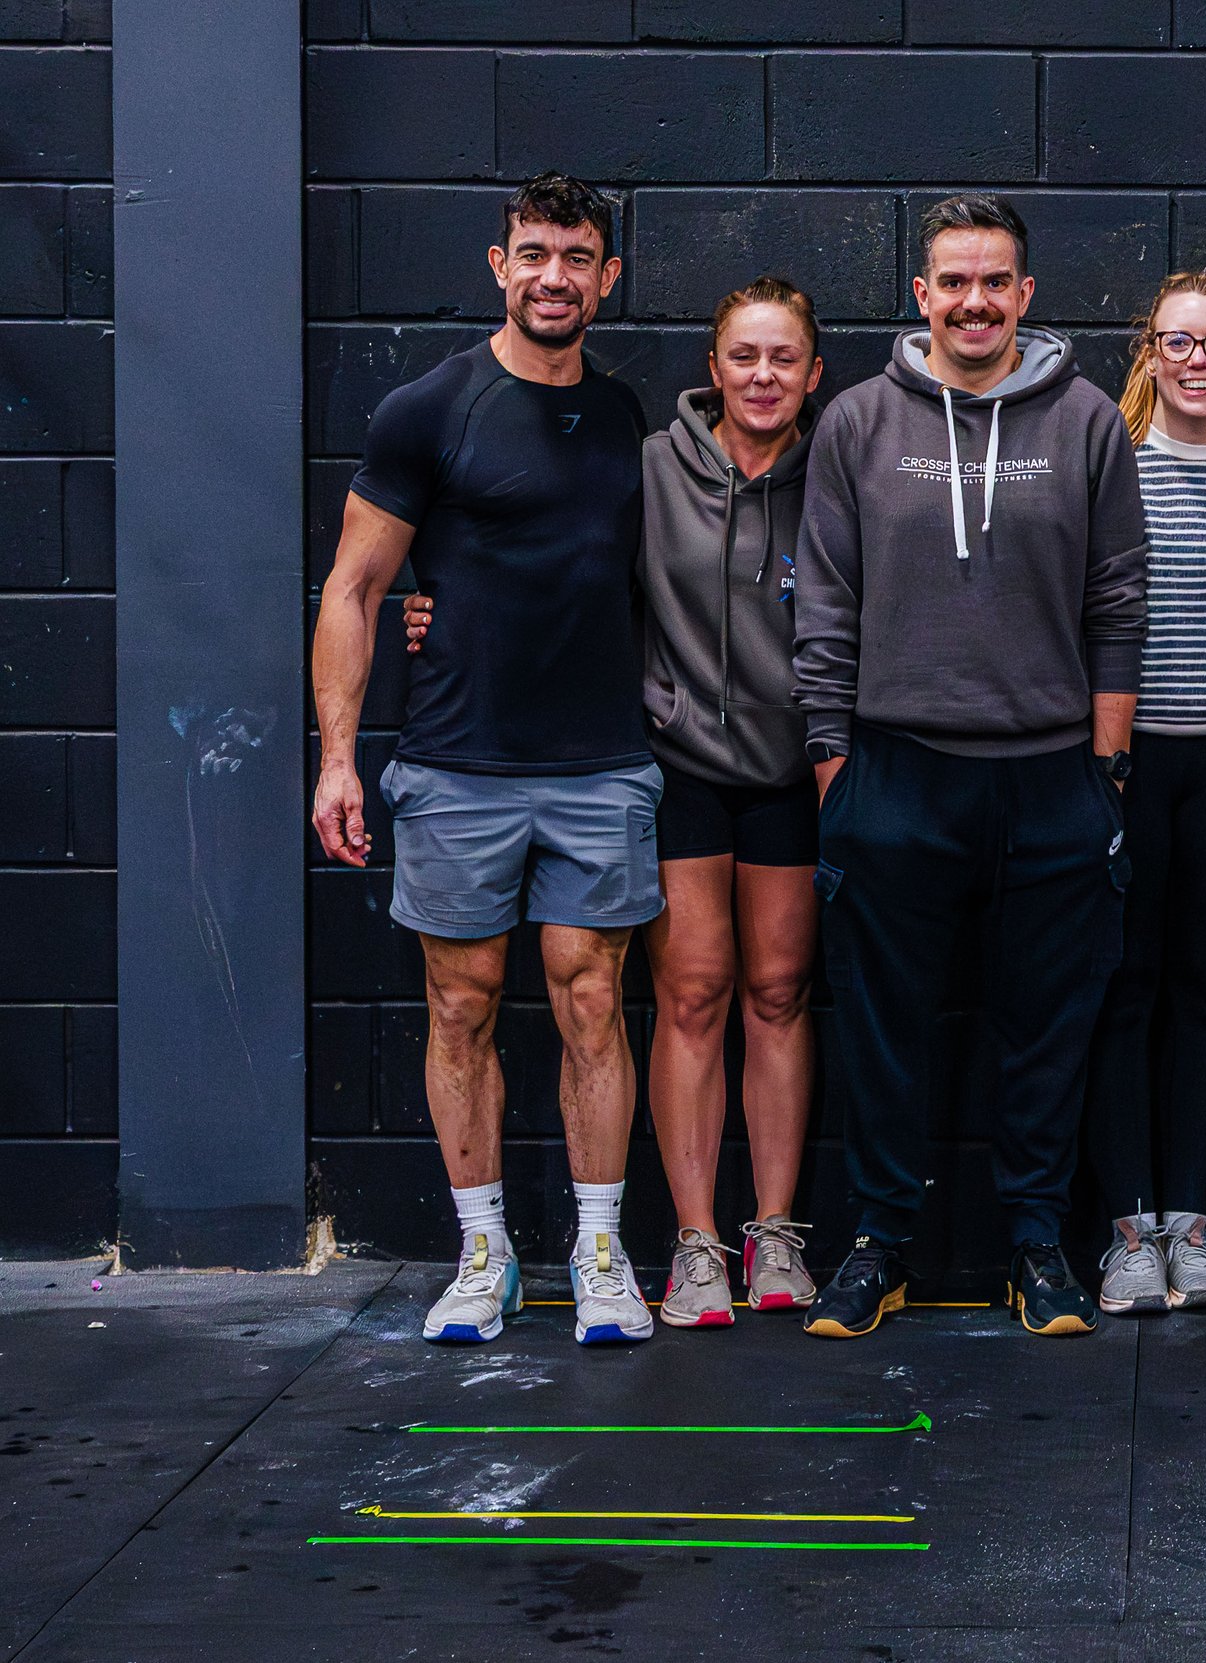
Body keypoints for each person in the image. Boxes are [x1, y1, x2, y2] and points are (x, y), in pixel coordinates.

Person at [405, 278, 828, 1329]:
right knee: (692, 995)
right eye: (744, 356)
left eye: (784, 359)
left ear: (813, 374)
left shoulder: (842, 473)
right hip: (676, 758)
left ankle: (770, 1231)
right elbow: (553, 563)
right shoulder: (649, 466)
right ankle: (693, 1244)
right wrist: (441, 606)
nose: (763, 376)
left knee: (778, 993)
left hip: (792, 765)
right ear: (714, 369)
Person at [309, 173, 658, 1347]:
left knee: (593, 997)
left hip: (602, 761)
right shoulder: (429, 407)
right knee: (458, 1004)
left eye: (577, 256)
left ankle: (599, 1251)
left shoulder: (625, 418)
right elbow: (356, 587)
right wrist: (339, 760)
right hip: (457, 763)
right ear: (498, 266)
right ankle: (484, 1253)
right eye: (533, 253)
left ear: (607, 278)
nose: (553, 275)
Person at [792, 194, 1149, 1340]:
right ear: (922, 294)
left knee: (1046, 1027)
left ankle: (1034, 1244)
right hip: (895, 773)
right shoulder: (855, 421)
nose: (975, 301)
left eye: (995, 280)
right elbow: (826, 611)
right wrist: (835, 773)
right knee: (883, 1029)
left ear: (1025, 295)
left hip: (1051, 776)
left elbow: (1117, 603)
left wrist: (1104, 768)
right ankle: (878, 1244)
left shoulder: (1089, 419)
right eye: (954, 281)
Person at [1087, 272, 1206, 1316]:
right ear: (1149, 351)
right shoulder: (1105, 464)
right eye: (1179, 342)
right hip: (1126, 766)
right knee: (1123, 994)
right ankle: (1127, 1232)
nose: (1199, 360)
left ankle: (1193, 1228)